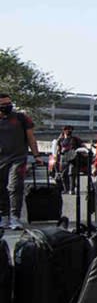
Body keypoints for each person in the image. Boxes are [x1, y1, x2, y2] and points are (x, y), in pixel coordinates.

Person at [0, 93, 42, 229]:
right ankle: (4, 216)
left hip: (18, 158)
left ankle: (15, 217)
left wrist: (36, 155)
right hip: (1, 159)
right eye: (4, 104)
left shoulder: (21, 118)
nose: (8, 106)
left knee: (15, 186)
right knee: (1, 188)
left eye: (9, 103)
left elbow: (31, 138)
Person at [54, 125, 83, 194]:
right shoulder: (60, 140)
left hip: (73, 157)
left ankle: (71, 189)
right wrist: (56, 159)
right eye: (67, 129)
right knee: (63, 175)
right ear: (64, 130)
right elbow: (58, 150)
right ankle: (66, 189)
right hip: (63, 158)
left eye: (70, 129)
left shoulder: (75, 139)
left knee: (72, 173)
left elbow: (82, 146)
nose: (69, 131)